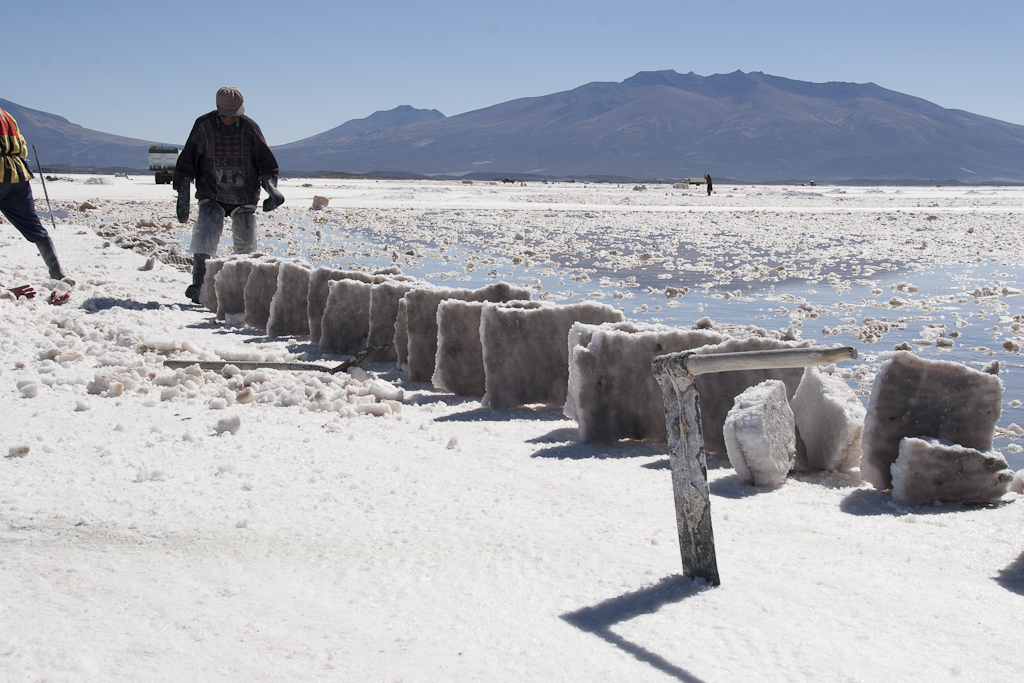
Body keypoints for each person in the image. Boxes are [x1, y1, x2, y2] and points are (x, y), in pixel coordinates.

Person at [173, 87, 284, 303]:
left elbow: (266, 164)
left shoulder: (251, 129)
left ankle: (243, 289)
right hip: (211, 192)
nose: (230, 120)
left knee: (245, 247)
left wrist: (272, 189)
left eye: (234, 115)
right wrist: (183, 196)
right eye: (226, 115)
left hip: (244, 195)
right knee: (204, 239)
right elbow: (187, 162)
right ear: (218, 110)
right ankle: (199, 285)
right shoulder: (203, 127)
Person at [1, 107, 71, 283]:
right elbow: (22, 147)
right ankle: (57, 272)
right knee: (31, 223)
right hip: (17, 175)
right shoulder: (7, 115)